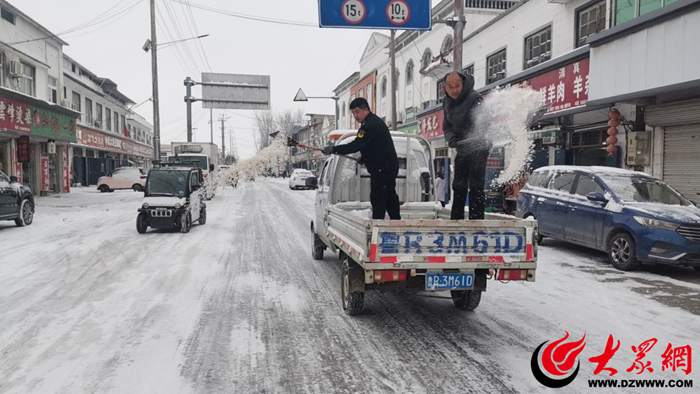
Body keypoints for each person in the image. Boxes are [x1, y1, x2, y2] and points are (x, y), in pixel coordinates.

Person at [322, 98, 401, 220]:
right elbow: (375, 146)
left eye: (357, 112)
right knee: (390, 195)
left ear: (366, 109)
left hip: (382, 169)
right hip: (387, 166)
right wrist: (365, 158)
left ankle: (377, 225)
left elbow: (355, 145)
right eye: (353, 113)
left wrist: (334, 149)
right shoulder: (374, 122)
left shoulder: (369, 126)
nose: (355, 115)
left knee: (378, 197)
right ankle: (396, 221)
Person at [442, 71, 491, 220]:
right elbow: (446, 125)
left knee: (476, 185)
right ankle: (456, 220)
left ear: (463, 84)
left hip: (478, 147)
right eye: (450, 87)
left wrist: (479, 132)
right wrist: (451, 138)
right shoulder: (447, 102)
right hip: (462, 147)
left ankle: (476, 221)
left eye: (457, 86)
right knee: (458, 185)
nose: (454, 90)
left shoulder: (474, 98)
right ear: (445, 88)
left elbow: (485, 120)